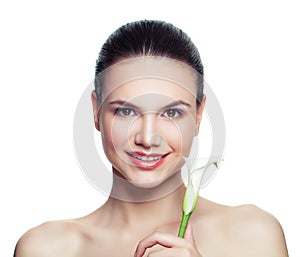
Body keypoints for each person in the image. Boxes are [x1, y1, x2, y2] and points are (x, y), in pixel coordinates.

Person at [14, 20, 288, 257]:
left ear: (199, 114)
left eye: (171, 112)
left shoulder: (253, 236)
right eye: (125, 110)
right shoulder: (46, 248)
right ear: (96, 111)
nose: (147, 137)